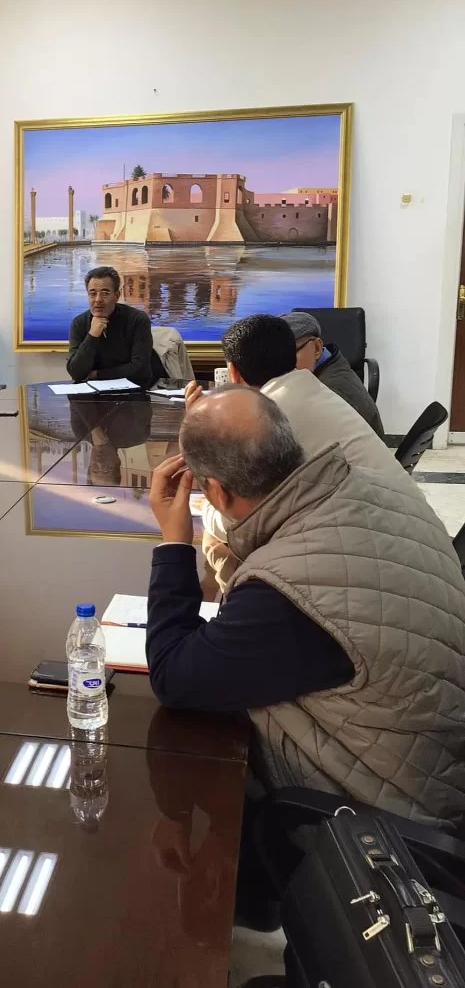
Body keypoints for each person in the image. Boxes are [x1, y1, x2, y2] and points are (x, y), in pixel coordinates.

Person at [146, 386, 465, 829]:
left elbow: (172, 677)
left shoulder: (286, 591)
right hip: (432, 761)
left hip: (384, 823)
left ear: (214, 492)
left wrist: (174, 544)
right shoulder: (369, 484)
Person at [191, 314, 419, 585]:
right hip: (410, 538)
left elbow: (238, 522)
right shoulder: (313, 389)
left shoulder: (266, 417)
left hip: (379, 560)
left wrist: (207, 508)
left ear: (233, 373)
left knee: (216, 545)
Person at [281, 310, 384, 438]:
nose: (283, 363)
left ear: (317, 348)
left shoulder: (333, 393)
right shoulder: (322, 368)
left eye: (290, 353)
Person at [67, 267, 164, 389]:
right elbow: (76, 373)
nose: (98, 300)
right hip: (93, 392)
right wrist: (92, 335)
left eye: (105, 293)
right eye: (92, 293)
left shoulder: (137, 320)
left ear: (117, 295)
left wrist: (98, 374)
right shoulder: (78, 323)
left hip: (136, 391)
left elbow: (139, 369)